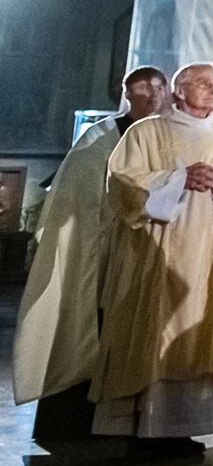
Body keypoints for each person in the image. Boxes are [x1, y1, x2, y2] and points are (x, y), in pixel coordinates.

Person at [92, 62, 213, 456]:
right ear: (179, 90)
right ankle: (141, 427)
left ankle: (183, 428)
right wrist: (177, 179)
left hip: (206, 256)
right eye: (203, 83)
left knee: (196, 331)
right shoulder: (146, 131)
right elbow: (122, 181)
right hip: (153, 255)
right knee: (152, 330)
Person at [13, 66, 170, 442]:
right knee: (86, 325)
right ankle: (74, 420)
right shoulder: (99, 137)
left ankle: (127, 423)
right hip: (98, 250)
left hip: (144, 252)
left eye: (157, 86)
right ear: (126, 93)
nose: (151, 93)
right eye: (142, 86)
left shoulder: (167, 137)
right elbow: (79, 194)